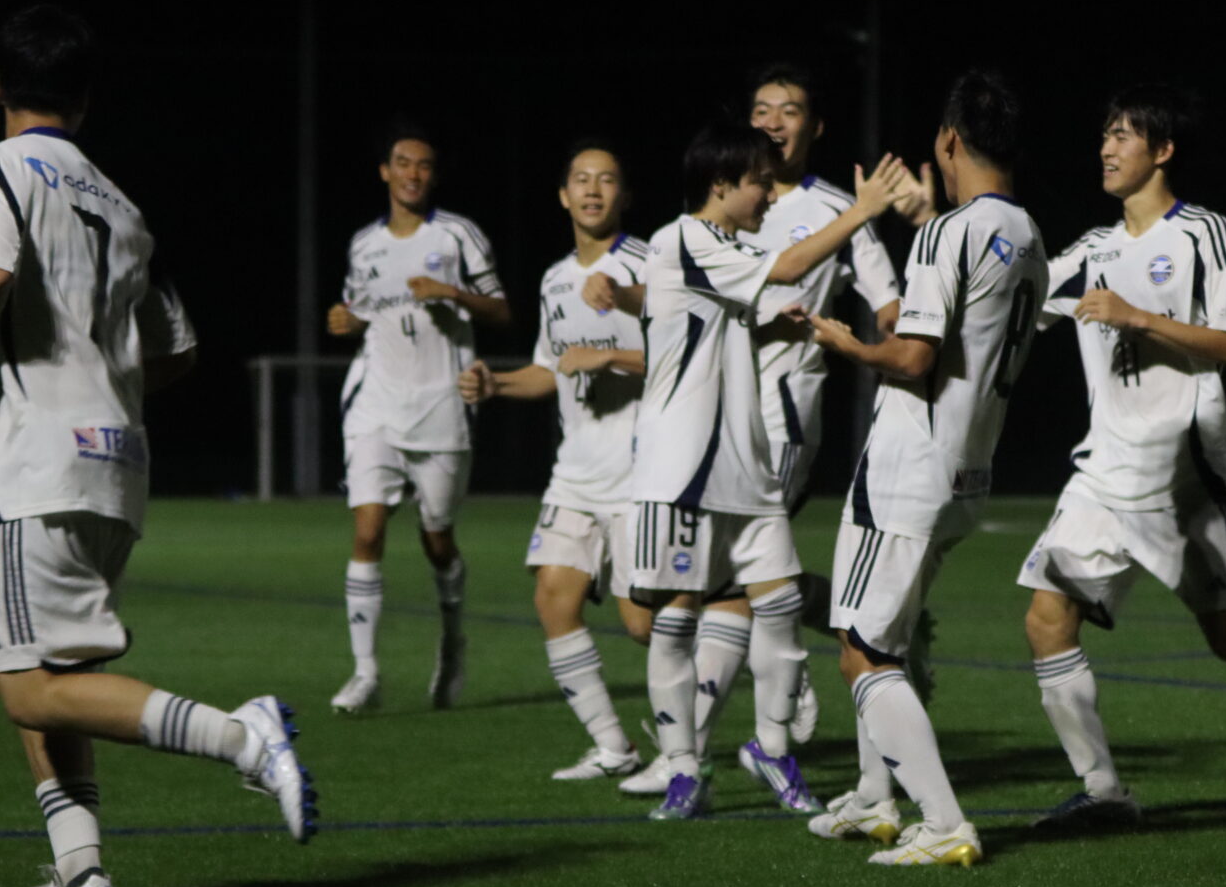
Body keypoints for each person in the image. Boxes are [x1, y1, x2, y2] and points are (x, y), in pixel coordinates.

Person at [0, 5, 315, 887]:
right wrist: (101, 382)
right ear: (83, 99)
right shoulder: (123, 203)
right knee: (53, 671)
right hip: (119, 460)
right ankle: (81, 879)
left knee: (29, 687)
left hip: (41, 460)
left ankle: (242, 738)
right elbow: (178, 350)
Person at [1016, 83, 1226, 827]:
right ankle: (1104, 794)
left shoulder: (1204, 233)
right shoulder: (1091, 249)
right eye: (1104, 135)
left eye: (1123, 135)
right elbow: (1016, 297)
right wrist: (934, 226)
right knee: (1046, 620)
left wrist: (1138, 316)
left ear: (1163, 150)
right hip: (1103, 475)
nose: (1106, 148)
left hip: (1181, 476)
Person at [630, 120, 906, 819]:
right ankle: (683, 769)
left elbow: (734, 309)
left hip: (745, 462)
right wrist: (864, 210)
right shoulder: (682, 238)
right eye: (757, 182)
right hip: (681, 467)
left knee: (778, 604)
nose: (767, 194)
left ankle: (773, 748)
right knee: (673, 622)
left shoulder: (728, 248)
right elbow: (784, 269)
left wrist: (772, 326)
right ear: (720, 184)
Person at [806, 69, 1045, 865]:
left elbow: (913, 356)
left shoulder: (950, 234)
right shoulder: (1027, 233)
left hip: (909, 465)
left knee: (863, 651)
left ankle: (943, 822)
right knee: (881, 635)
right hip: (968, 465)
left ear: (947, 141)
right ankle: (874, 799)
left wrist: (849, 345)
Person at [459, 142, 651, 779]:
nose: (593, 190)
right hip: (576, 474)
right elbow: (550, 368)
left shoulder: (650, 265)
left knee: (645, 625)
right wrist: (497, 384)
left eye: (607, 179)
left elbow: (691, 359)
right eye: (581, 180)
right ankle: (614, 746)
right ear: (563, 196)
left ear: (625, 195)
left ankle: (763, 647)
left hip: (642, 475)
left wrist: (611, 357)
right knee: (553, 600)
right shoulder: (553, 280)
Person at [326, 124, 512, 713]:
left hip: (441, 404)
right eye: (403, 163)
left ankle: (453, 641)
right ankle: (365, 674)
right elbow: (359, 311)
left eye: (424, 165)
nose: (412, 174)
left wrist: (452, 294)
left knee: (437, 540)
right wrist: (345, 321)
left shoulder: (458, 235)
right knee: (368, 529)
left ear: (434, 175)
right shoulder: (364, 244)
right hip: (376, 403)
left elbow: (501, 310)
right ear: (385, 171)